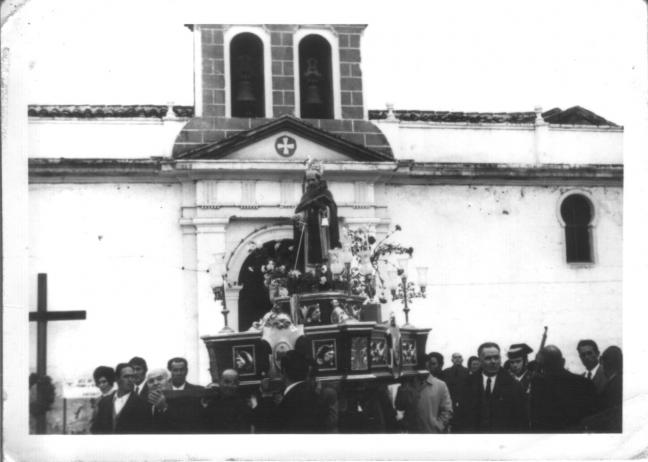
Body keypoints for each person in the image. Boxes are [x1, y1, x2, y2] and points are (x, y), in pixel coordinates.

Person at [454, 342, 527, 433]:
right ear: (480, 360)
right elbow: (460, 417)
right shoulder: (467, 384)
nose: (493, 361)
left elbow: (521, 420)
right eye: (488, 358)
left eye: (496, 357)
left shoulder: (514, 385)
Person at [529, 345, 597, 432]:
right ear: (563, 361)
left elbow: (535, 423)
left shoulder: (538, 388)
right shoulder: (585, 383)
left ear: (542, 366)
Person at [255, 350, 326, 433]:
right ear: (306, 371)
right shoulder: (316, 396)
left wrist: (263, 394)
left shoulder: (287, 402)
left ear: (284, 371)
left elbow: (263, 427)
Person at [91, 363, 151, 434]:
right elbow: (95, 429)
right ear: (117, 378)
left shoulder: (143, 404)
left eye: (132, 377)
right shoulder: (104, 402)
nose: (130, 380)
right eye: (126, 376)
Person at [395, 365, 453, 433]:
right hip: (412, 431)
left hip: (432, 432)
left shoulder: (440, 385)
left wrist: (438, 426)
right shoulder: (407, 384)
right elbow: (399, 406)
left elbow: (447, 410)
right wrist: (403, 388)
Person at [580, 346, 623, 432]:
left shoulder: (612, 384)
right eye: (583, 355)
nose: (586, 357)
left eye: (589, 353)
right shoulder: (618, 381)